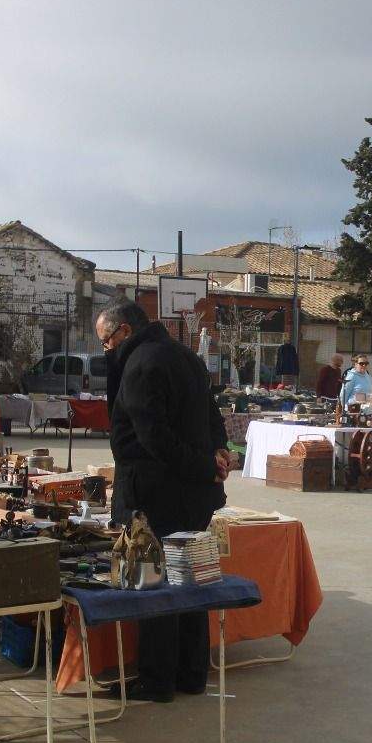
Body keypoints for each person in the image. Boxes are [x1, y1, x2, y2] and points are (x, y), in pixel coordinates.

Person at [97, 301, 230, 703]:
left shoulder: (139, 365)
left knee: (153, 583)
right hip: (194, 494)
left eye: (106, 341)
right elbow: (213, 418)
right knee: (189, 580)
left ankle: (156, 680)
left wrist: (207, 466)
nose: (106, 351)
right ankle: (191, 674)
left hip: (157, 491)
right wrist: (218, 455)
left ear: (123, 331)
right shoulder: (185, 356)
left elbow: (155, 440)